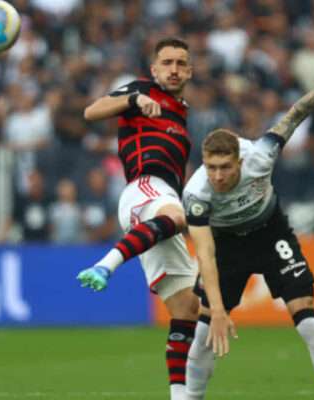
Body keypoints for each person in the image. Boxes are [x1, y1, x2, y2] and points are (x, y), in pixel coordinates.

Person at [183, 45, 314, 400]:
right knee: (202, 335)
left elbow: (298, 111)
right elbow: (206, 254)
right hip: (225, 243)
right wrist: (216, 310)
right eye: (211, 167)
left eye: (225, 167)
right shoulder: (196, 194)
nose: (218, 175)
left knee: (308, 322)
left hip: (270, 233)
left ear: (240, 162)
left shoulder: (261, 155)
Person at [75, 37, 231, 400]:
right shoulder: (142, 91)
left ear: (190, 70)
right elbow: (91, 112)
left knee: (188, 309)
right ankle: (106, 264)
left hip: (162, 201)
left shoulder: (181, 111)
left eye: (181, 63)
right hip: (143, 188)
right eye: (167, 63)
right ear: (154, 69)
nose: (174, 69)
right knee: (176, 216)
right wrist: (133, 99)